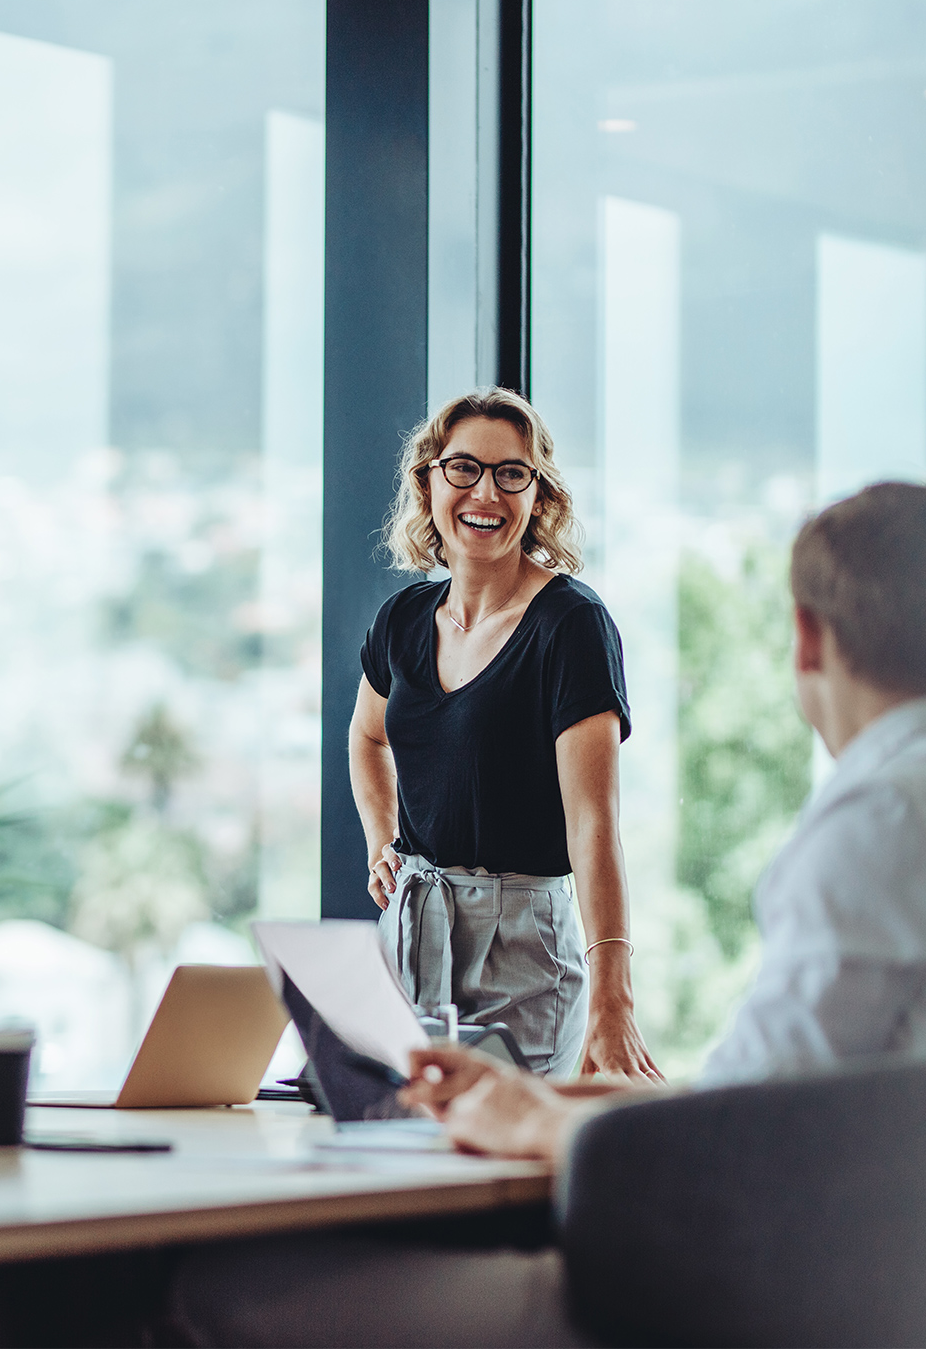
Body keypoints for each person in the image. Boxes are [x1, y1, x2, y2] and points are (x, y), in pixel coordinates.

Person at [171, 482, 926, 1347]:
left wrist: (535, 1113)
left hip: (736, 1294)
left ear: (808, 639)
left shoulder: (882, 820)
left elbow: (746, 1143)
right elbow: (801, 1093)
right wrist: (542, 1094)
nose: (484, 494)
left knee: (228, 1284)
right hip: (854, 1280)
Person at [352, 388, 655, 1079]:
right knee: (397, 1158)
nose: (484, 492)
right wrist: (380, 841)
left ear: (538, 496)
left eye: (510, 473)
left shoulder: (571, 625)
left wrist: (615, 997)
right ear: (428, 482)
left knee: (504, 1172)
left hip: (522, 949)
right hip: (409, 932)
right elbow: (367, 739)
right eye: (463, 468)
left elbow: (594, 824)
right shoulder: (401, 620)